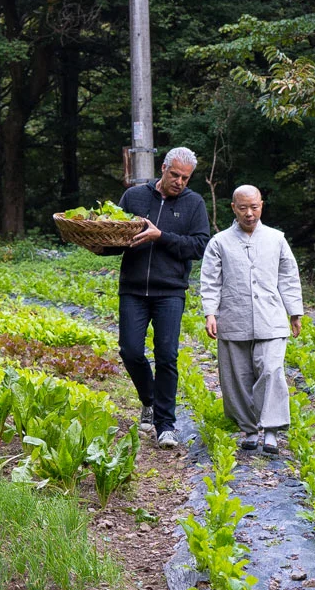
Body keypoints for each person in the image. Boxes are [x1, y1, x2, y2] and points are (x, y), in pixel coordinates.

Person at [93, 147, 211, 449]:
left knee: (167, 356)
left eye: (186, 178)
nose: (180, 182)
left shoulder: (194, 204)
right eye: (175, 175)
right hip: (133, 288)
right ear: (163, 168)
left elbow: (199, 246)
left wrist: (162, 237)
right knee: (130, 350)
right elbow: (117, 238)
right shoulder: (134, 197)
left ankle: (166, 424)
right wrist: (99, 247)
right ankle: (149, 399)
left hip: (170, 290)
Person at [199, 185, 303, 454]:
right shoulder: (219, 242)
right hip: (233, 318)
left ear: (262, 206)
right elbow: (210, 281)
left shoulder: (276, 238)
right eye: (243, 208)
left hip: (271, 318)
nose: (249, 213)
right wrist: (210, 313)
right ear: (233, 208)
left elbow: (288, 277)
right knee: (238, 377)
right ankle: (248, 429)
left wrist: (295, 312)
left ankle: (270, 430)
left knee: (271, 370)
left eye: (254, 207)